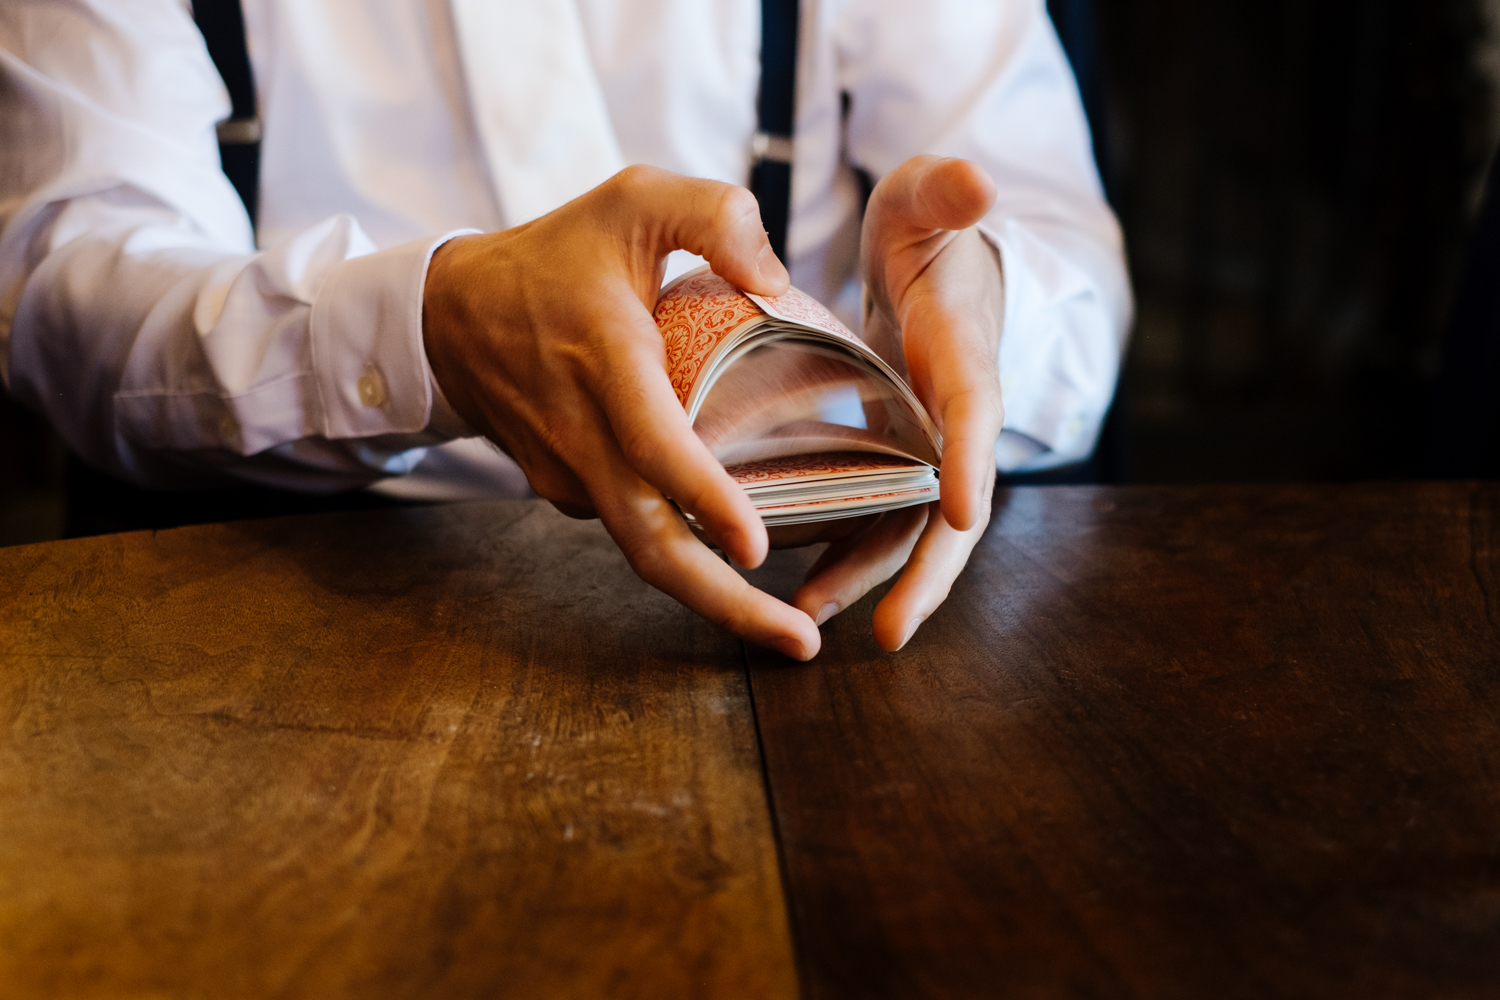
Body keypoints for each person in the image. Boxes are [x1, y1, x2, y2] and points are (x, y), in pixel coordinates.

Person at [0, 0, 1131, 658]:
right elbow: (70, 280)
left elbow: (1058, 247)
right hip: (291, 596)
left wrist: (976, 313)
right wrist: (424, 330)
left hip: (823, 596)